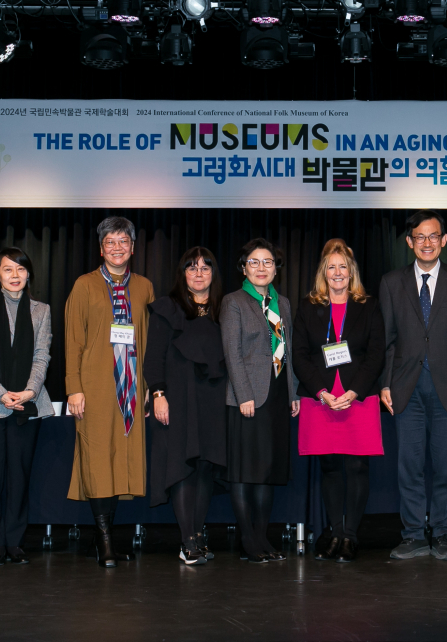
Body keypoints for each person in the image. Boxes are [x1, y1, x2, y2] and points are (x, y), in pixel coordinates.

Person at [378, 210, 447, 561]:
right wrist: (385, 383)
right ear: (409, 242)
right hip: (405, 387)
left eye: (433, 236)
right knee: (408, 465)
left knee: (445, 466)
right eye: (419, 237)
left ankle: (442, 534)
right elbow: (387, 339)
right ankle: (412, 534)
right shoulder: (392, 283)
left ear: (444, 240)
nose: (426, 243)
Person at [65, 216, 154, 567]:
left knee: (121, 461)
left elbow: (149, 341)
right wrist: (74, 388)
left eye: (124, 242)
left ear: (133, 247)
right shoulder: (84, 286)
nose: (117, 248)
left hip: (132, 387)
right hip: (96, 386)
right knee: (99, 459)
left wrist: (148, 388)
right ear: (101, 248)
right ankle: (104, 541)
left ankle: (102, 536)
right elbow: (73, 340)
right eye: (110, 242)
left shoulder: (144, 287)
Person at [293, 239, 385, 563]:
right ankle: (333, 531)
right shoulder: (308, 306)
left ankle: (350, 536)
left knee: (358, 466)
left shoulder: (368, 306)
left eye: (342, 266)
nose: (337, 273)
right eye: (331, 267)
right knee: (330, 466)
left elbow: (376, 355)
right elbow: (300, 356)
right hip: (321, 399)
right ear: (323, 272)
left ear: (351, 271)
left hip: (357, 397)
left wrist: (354, 391)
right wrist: (322, 392)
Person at [0, 246, 55, 566]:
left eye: (20, 269)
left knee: (19, 476)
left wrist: (30, 391)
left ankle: (14, 541)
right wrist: (0, 392)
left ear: (28, 273)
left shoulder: (41, 310)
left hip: (27, 404)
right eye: (8, 270)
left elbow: (42, 355)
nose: (15, 275)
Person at [146, 247, 227, 566]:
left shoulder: (225, 310)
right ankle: (188, 540)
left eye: (205, 268)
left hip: (213, 399)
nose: (198, 273)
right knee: (182, 467)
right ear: (182, 273)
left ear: (213, 274)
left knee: (205, 465)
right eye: (191, 268)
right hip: (176, 400)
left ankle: (198, 533)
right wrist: (158, 394)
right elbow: (153, 358)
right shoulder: (167, 309)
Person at [220, 238, 299, 563]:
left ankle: (261, 537)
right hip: (247, 398)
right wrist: (243, 395)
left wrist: (293, 393)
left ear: (276, 268)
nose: (262, 268)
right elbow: (232, 353)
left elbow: (288, 351)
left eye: (268, 262)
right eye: (254, 262)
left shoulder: (283, 303)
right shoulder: (234, 301)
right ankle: (248, 541)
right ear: (243, 267)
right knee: (243, 471)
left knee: (267, 470)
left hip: (278, 395)